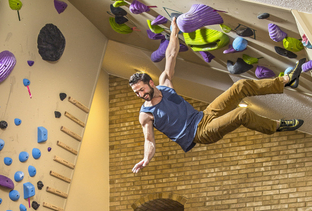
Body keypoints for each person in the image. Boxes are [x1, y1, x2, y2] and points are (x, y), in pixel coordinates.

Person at [129, 17, 306, 174]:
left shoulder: (165, 85)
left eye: (141, 89)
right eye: (137, 92)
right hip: (199, 133)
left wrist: (174, 32)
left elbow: (171, 55)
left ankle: (286, 80)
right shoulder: (146, 114)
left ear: (151, 83)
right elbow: (149, 140)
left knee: (241, 86)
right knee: (241, 114)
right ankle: (276, 126)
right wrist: (147, 158)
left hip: (204, 116)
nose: (140, 94)